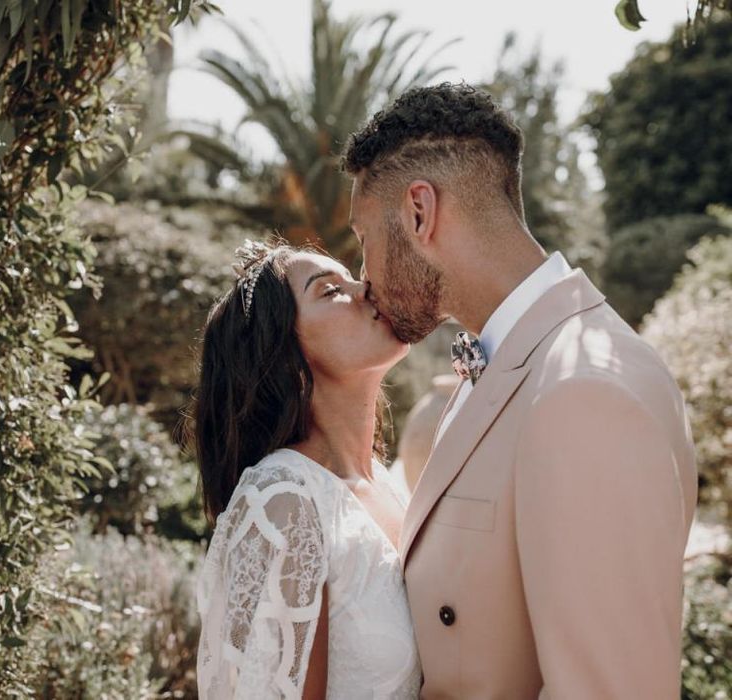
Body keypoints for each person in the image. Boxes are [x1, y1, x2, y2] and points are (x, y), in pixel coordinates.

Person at [342, 82, 698, 699]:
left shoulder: (582, 391)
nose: (363, 277)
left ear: (419, 212)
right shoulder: (516, 360)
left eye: (363, 238)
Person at [189, 239, 421, 699]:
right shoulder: (284, 500)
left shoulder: (391, 488)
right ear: (286, 359)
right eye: (330, 291)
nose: (364, 288)